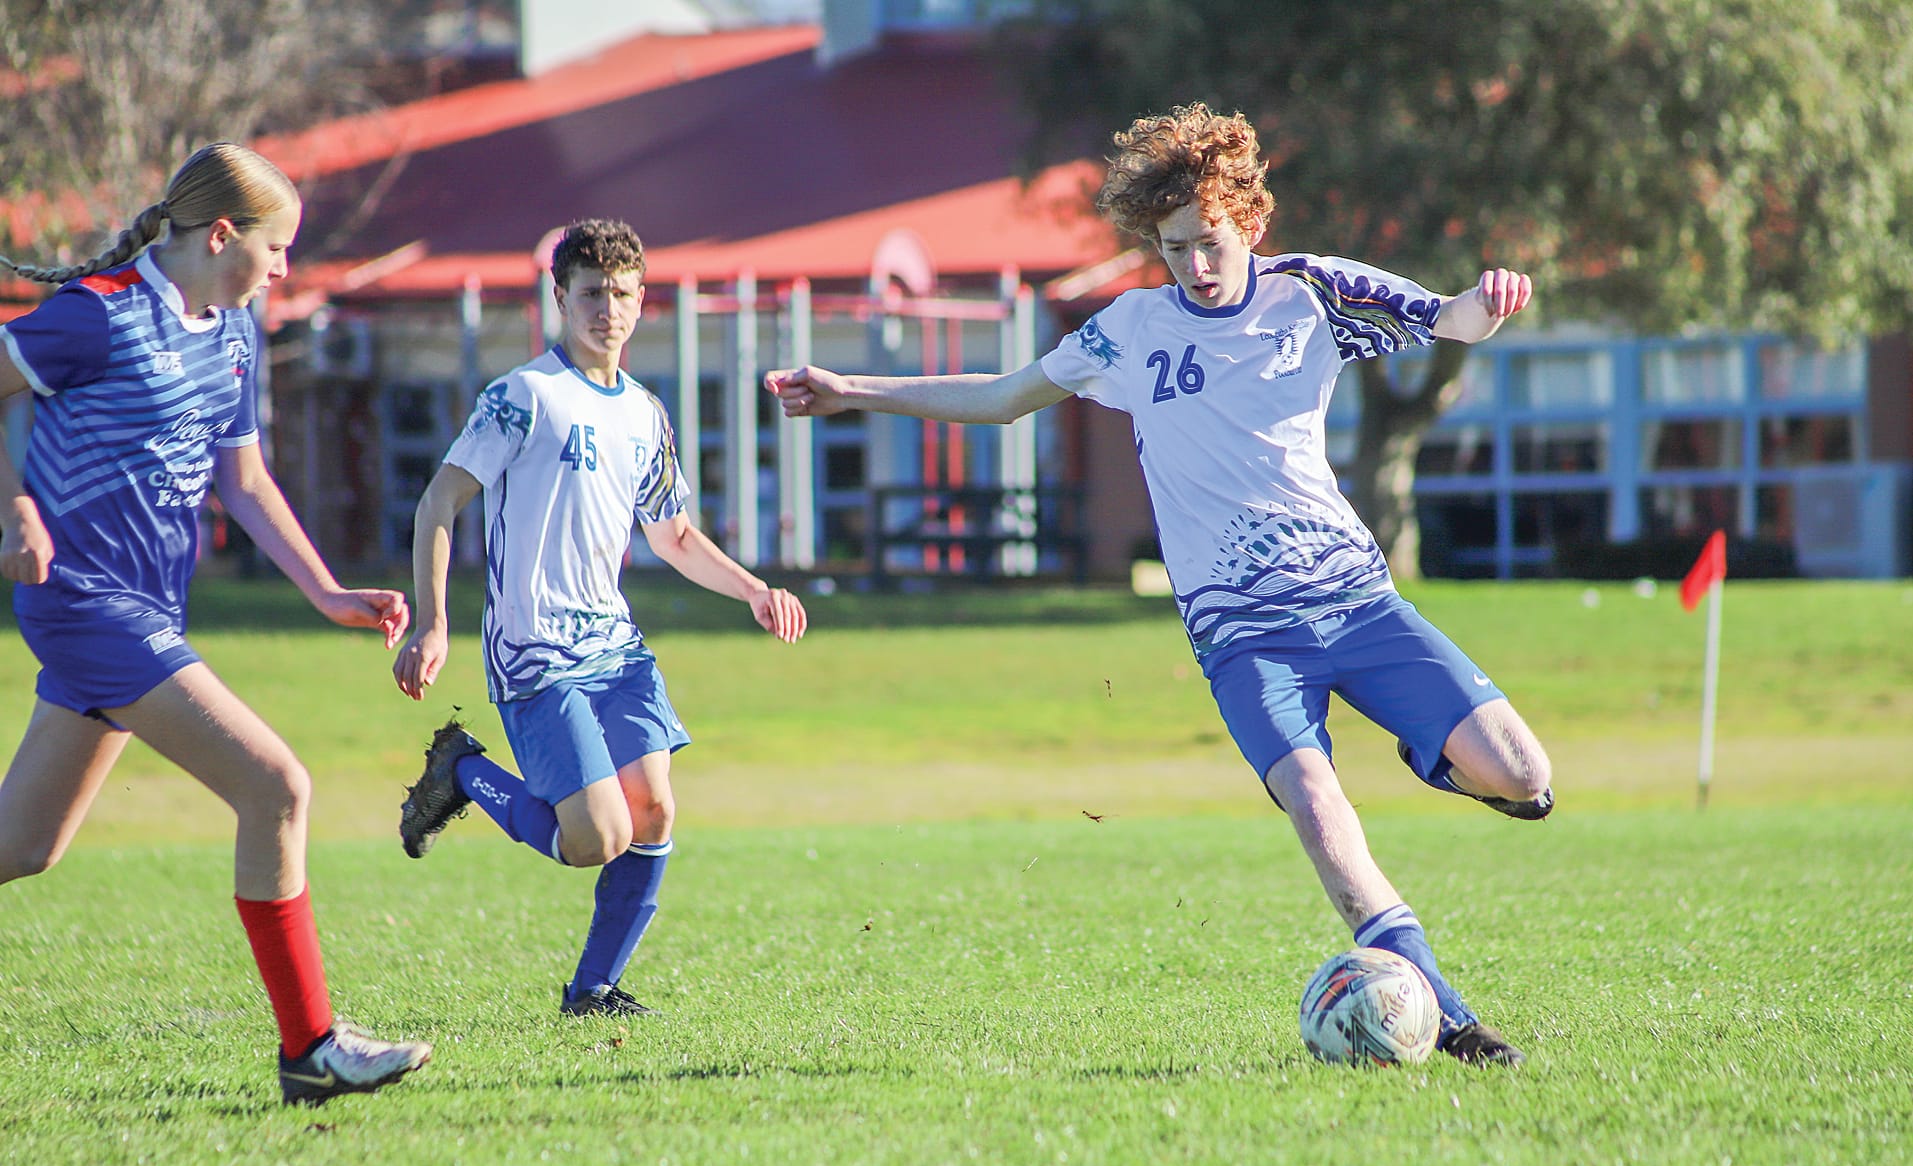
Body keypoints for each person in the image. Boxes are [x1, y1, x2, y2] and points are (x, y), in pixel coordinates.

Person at [766, 103, 1553, 1066]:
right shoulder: (1130, 329)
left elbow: (1449, 321)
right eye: (1173, 248)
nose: (1195, 265)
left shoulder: (1312, 294)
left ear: (1249, 223)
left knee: (1524, 777)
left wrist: (1491, 296)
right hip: (1241, 635)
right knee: (1314, 801)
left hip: (1354, 600)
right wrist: (856, 389)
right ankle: (1449, 1015)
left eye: (1210, 242)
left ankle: (1430, 754)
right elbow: (1004, 398)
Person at [0, 142, 432, 1104]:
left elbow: (243, 481)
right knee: (275, 785)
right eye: (276, 249)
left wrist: (325, 591)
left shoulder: (232, 333)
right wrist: (15, 509)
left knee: (24, 847)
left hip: (147, 610)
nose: (284, 269)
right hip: (84, 605)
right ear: (222, 233)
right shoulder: (97, 315)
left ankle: (309, 1049)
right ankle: (310, 1048)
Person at [391, 218, 807, 1018]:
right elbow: (441, 500)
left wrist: (755, 589)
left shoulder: (646, 415)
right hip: (534, 649)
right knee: (592, 839)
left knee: (653, 809)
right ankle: (463, 773)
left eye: (620, 294)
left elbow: (674, 535)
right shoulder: (522, 397)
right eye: (589, 293)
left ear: (641, 301)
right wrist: (433, 623)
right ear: (559, 298)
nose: (605, 309)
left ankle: (593, 990)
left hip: (613, 648)